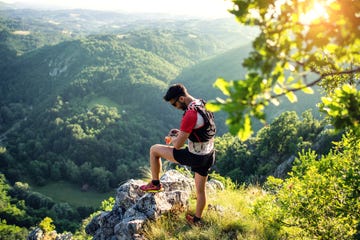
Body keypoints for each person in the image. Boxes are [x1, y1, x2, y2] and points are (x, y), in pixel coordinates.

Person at [140, 83, 216, 226]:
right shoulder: (201, 104)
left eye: (174, 104)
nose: (175, 107)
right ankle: (197, 220)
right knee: (201, 191)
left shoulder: (190, 114)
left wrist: (174, 139)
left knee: (154, 150)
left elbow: (177, 146)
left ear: (181, 98)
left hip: (195, 156)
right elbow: (201, 130)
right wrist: (181, 134)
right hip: (209, 154)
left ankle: (155, 183)